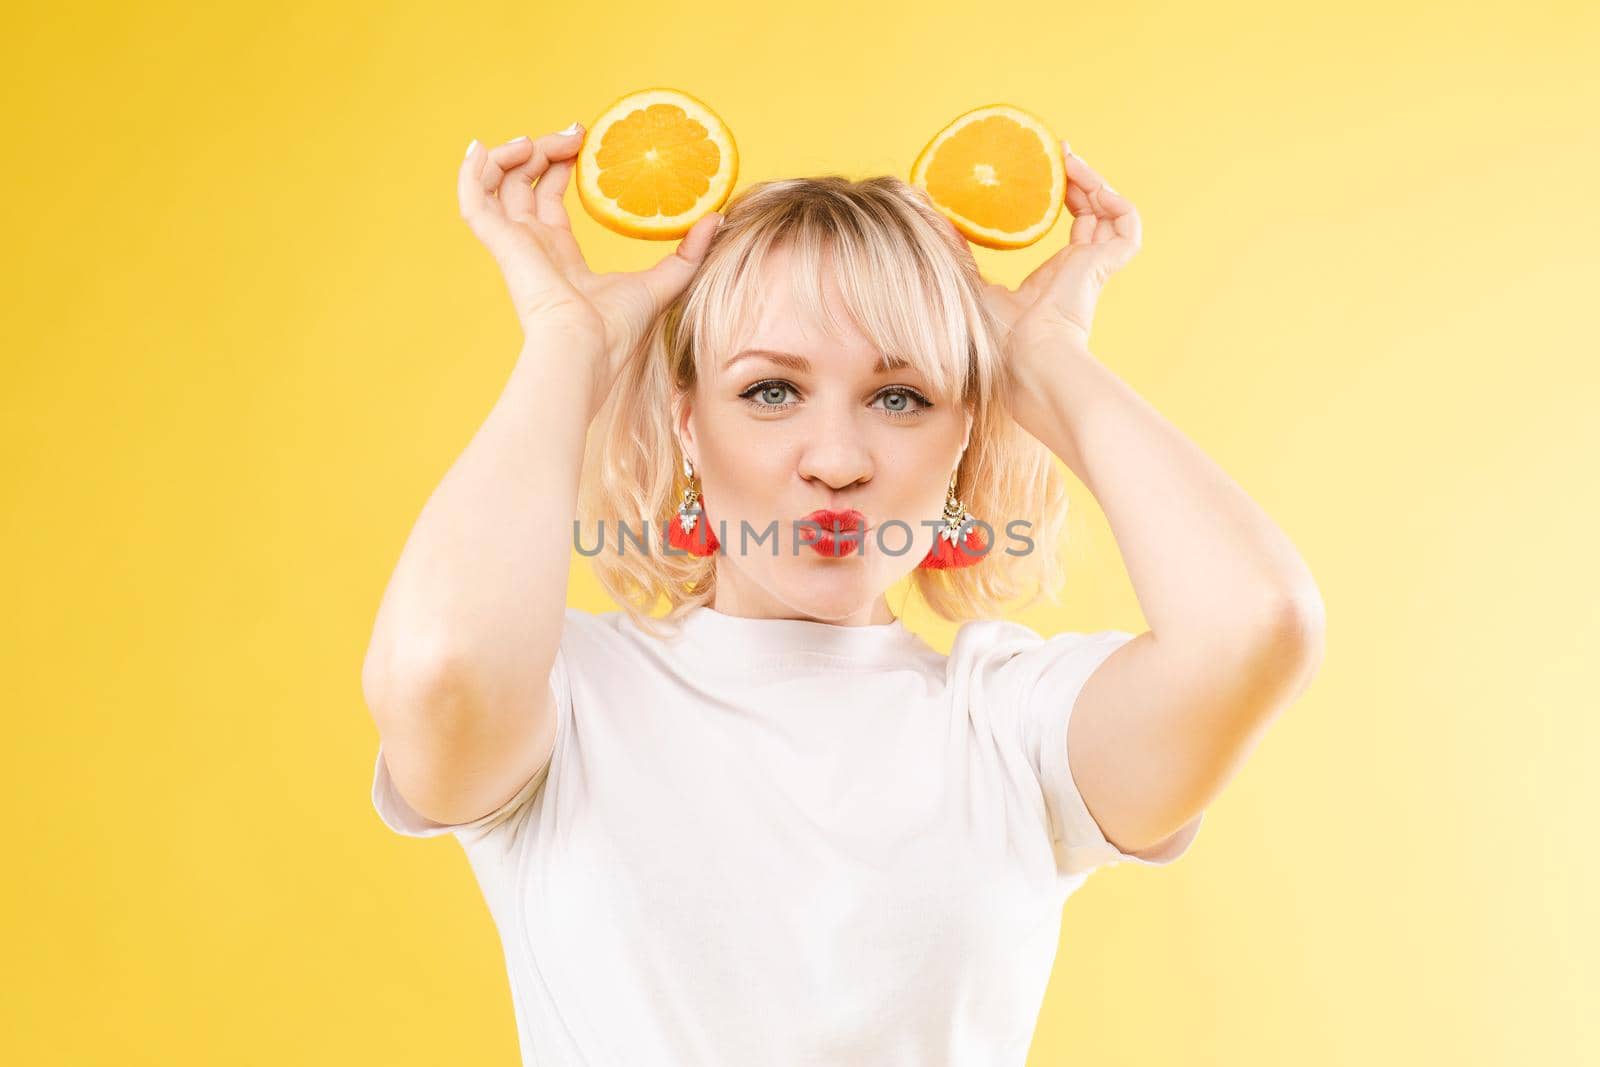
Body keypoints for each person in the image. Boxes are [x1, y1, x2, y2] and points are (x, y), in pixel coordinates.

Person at [361, 123, 1326, 1066]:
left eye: (900, 396)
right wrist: (567, 346)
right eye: (771, 391)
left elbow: (1254, 626)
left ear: (962, 437)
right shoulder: (567, 700)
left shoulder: (1011, 722)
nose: (835, 461)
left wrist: (1042, 357)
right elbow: (440, 667)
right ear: (687, 424)